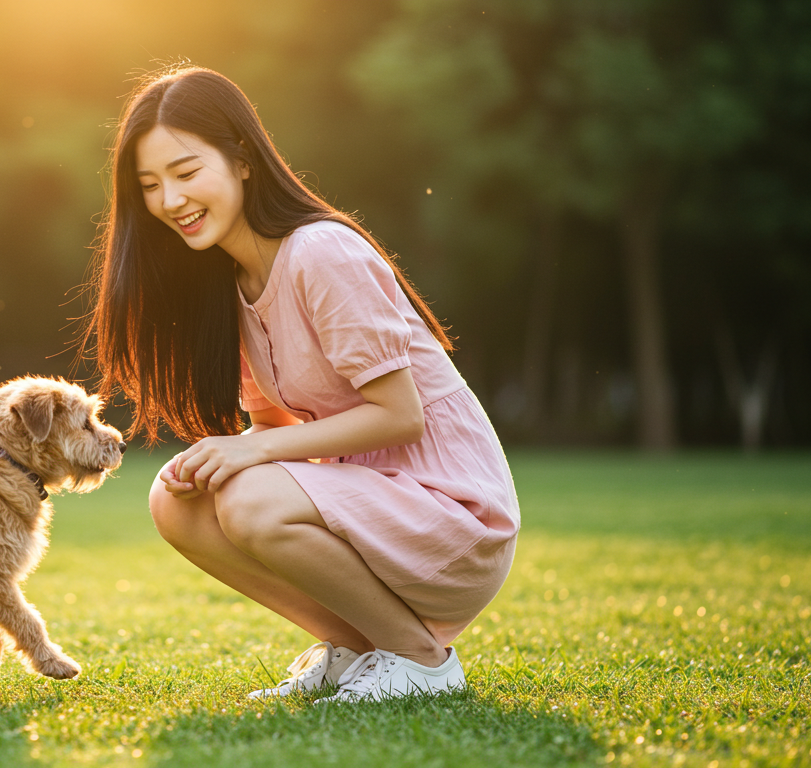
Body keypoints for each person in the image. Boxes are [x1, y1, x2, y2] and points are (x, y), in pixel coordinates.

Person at [82, 66, 520, 703]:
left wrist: (249, 452)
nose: (170, 200)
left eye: (185, 172)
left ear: (241, 159)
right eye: (150, 186)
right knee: (176, 499)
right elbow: (274, 428)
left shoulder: (321, 252)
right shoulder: (229, 288)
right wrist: (240, 449)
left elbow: (401, 416)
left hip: (453, 517)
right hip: (374, 511)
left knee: (249, 498)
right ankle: (358, 648)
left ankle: (423, 661)